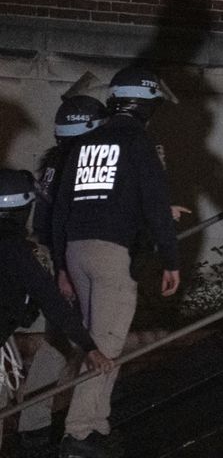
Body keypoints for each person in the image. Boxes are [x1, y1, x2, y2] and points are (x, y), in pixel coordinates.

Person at [52, 68, 181, 458]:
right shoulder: (138, 142)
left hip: (76, 250)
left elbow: (60, 210)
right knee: (106, 346)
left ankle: (97, 422)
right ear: (146, 104)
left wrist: (61, 266)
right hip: (111, 254)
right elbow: (156, 207)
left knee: (98, 338)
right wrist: (171, 260)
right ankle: (77, 435)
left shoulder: (86, 143)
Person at [9, 97, 108, 456]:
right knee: (74, 342)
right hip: (65, 257)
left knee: (58, 343)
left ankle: (32, 423)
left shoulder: (54, 161)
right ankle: (51, 425)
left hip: (52, 253)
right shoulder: (80, 163)